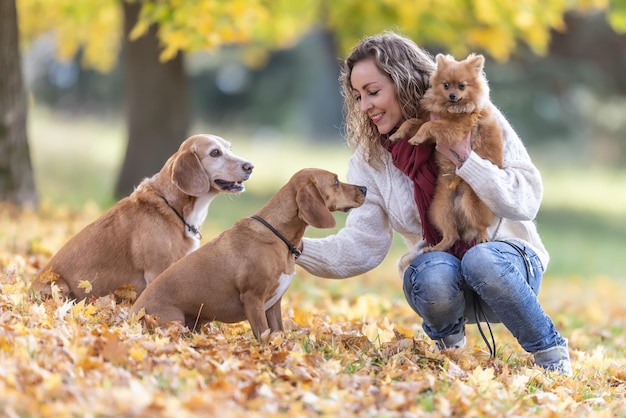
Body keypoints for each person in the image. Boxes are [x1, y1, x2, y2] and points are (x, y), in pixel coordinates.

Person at [295, 31, 572, 376]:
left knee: (480, 257)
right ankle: (450, 351)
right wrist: (291, 246)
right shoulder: (370, 161)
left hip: (507, 270)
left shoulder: (477, 117)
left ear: (404, 82)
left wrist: (466, 159)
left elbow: (525, 201)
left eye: (373, 92)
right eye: (357, 96)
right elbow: (362, 245)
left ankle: (551, 354)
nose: (364, 106)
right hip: (441, 280)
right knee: (435, 271)